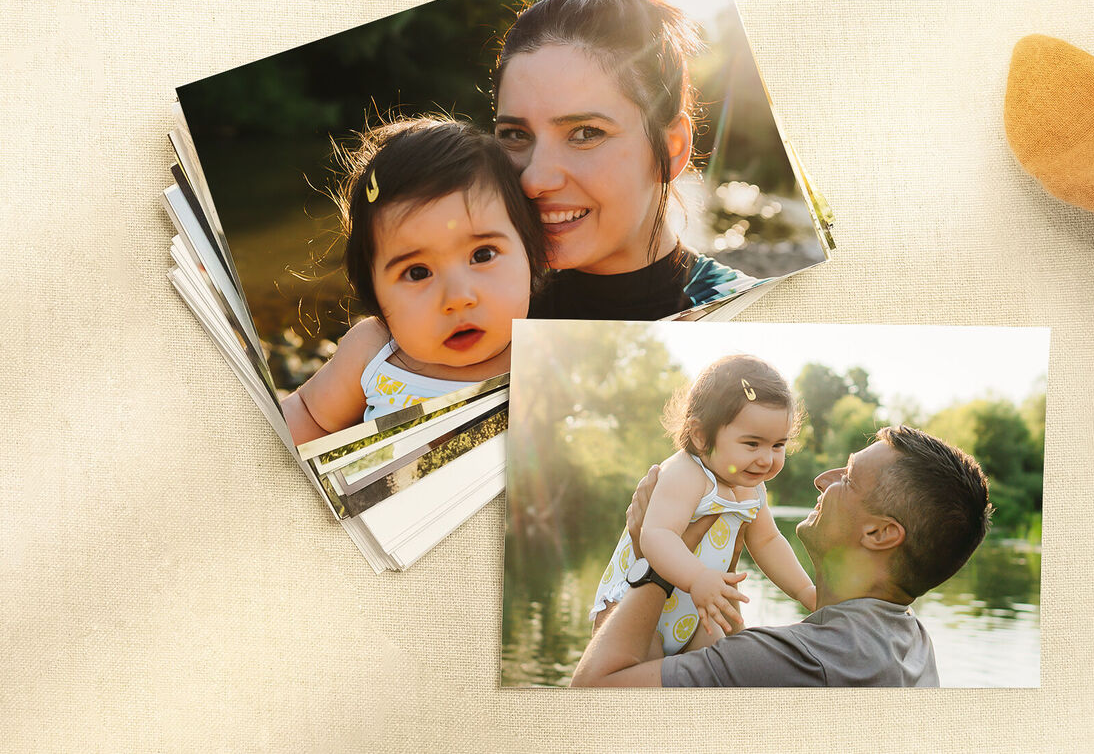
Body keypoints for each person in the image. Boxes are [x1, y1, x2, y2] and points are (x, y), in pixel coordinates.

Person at [571, 425, 993, 687]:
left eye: (847, 478)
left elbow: (593, 695)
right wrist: (733, 639)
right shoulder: (913, 642)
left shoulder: (801, 661)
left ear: (880, 533)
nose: (821, 480)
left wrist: (659, 565)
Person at [493, 0, 757, 320]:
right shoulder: (482, 321)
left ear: (671, 147)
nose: (534, 180)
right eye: (515, 135)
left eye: (586, 133)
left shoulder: (747, 315)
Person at [281, 118, 545, 444]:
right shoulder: (374, 350)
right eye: (417, 273)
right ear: (374, 292)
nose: (457, 298)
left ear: (530, 253)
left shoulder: (547, 353)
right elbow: (306, 417)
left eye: (483, 255)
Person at [589, 355, 816, 654]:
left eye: (778, 445)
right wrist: (697, 578)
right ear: (700, 435)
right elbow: (656, 534)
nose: (766, 458)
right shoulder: (687, 473)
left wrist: (805, 591)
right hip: (638, 606)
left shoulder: (752, 489)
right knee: (642, 676)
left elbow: (768, 541)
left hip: (698, 612)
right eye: (752, 444)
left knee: (714, 662)